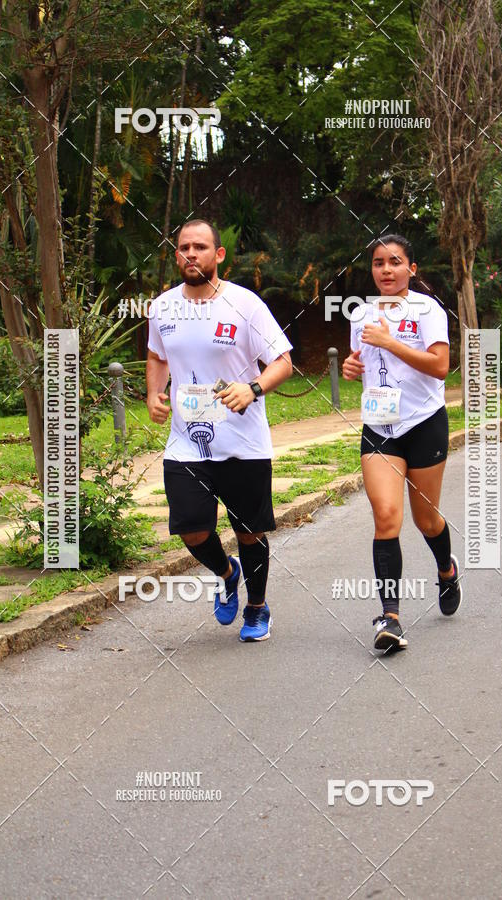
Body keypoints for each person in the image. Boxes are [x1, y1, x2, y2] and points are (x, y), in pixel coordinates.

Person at [146, 219, 292, 641]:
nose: (191, 254)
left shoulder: (245, 305)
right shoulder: (163, 307)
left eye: (200, 247)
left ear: (218, 255)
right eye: (184, 248)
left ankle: (258, 608)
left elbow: (282, 360)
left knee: (249, 530)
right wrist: (155, 393)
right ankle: (228, 573)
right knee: (192, 528)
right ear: (177, 256)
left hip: (242, 441)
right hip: (185, 443)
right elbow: (157, 356)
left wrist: (253, 389)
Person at [342, 234, 462, 651]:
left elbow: (441, 367)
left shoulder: (427, 310)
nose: (386, 270)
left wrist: (391, 341)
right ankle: (389, 618)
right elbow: (364, 360)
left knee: (425, 520)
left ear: (411, 269)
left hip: (424, 423)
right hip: (379, 426)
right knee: (386, 515)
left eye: (395, 262)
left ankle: (446, 569)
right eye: (378, 263)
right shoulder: (361, 313)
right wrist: (352, 366)